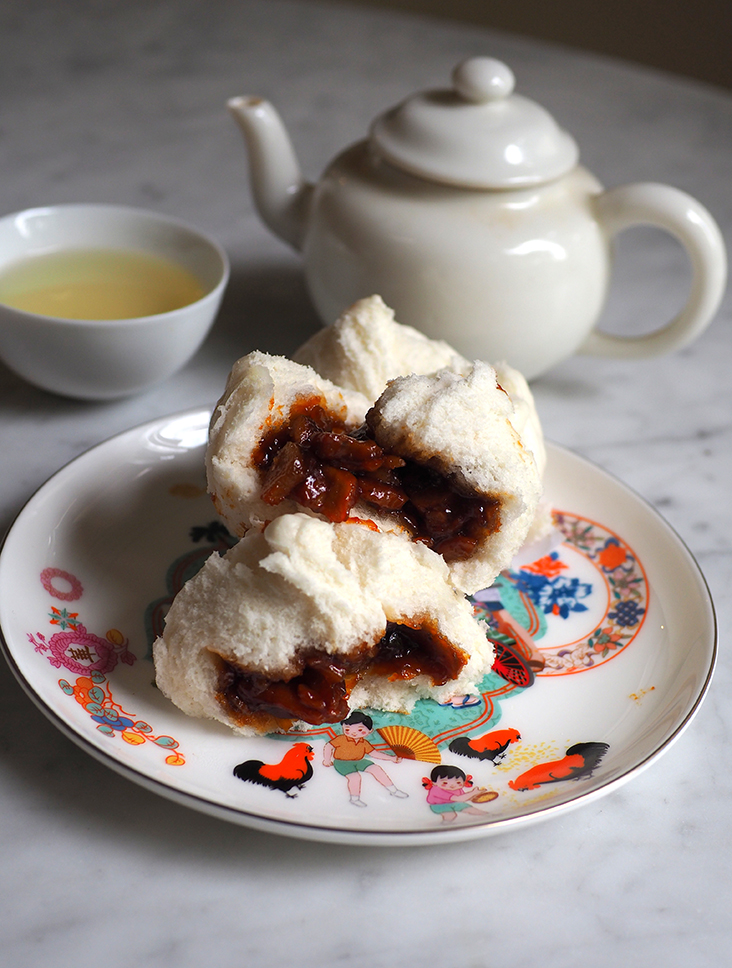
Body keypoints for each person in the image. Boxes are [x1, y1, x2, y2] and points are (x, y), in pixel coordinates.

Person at [323, 711, 408, 807]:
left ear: (370, 731)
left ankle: (393, 790)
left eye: (360, 730)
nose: (354, 733)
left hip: (359, 761)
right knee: (355, 777)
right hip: (342, 762)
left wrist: (391, 758)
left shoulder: (364, 743)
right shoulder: (341, 739)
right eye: (347, 729)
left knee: (376, 769)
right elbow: (328, 746)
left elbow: (374, 753)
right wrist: (327, 760)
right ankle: (354, 799)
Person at [424, 764, 494, 822]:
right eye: (445, 783)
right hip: (439, 806)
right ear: (434, 782)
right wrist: (473, 792)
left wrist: (475, 796)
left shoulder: (457, 789)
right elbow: (459, 798)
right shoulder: (436, 790)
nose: (452, 785)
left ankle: (490, 816)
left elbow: (463, 797)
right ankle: (445, 827)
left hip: (454, 803)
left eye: (458, 782)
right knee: (451, 816)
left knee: (470, 809)